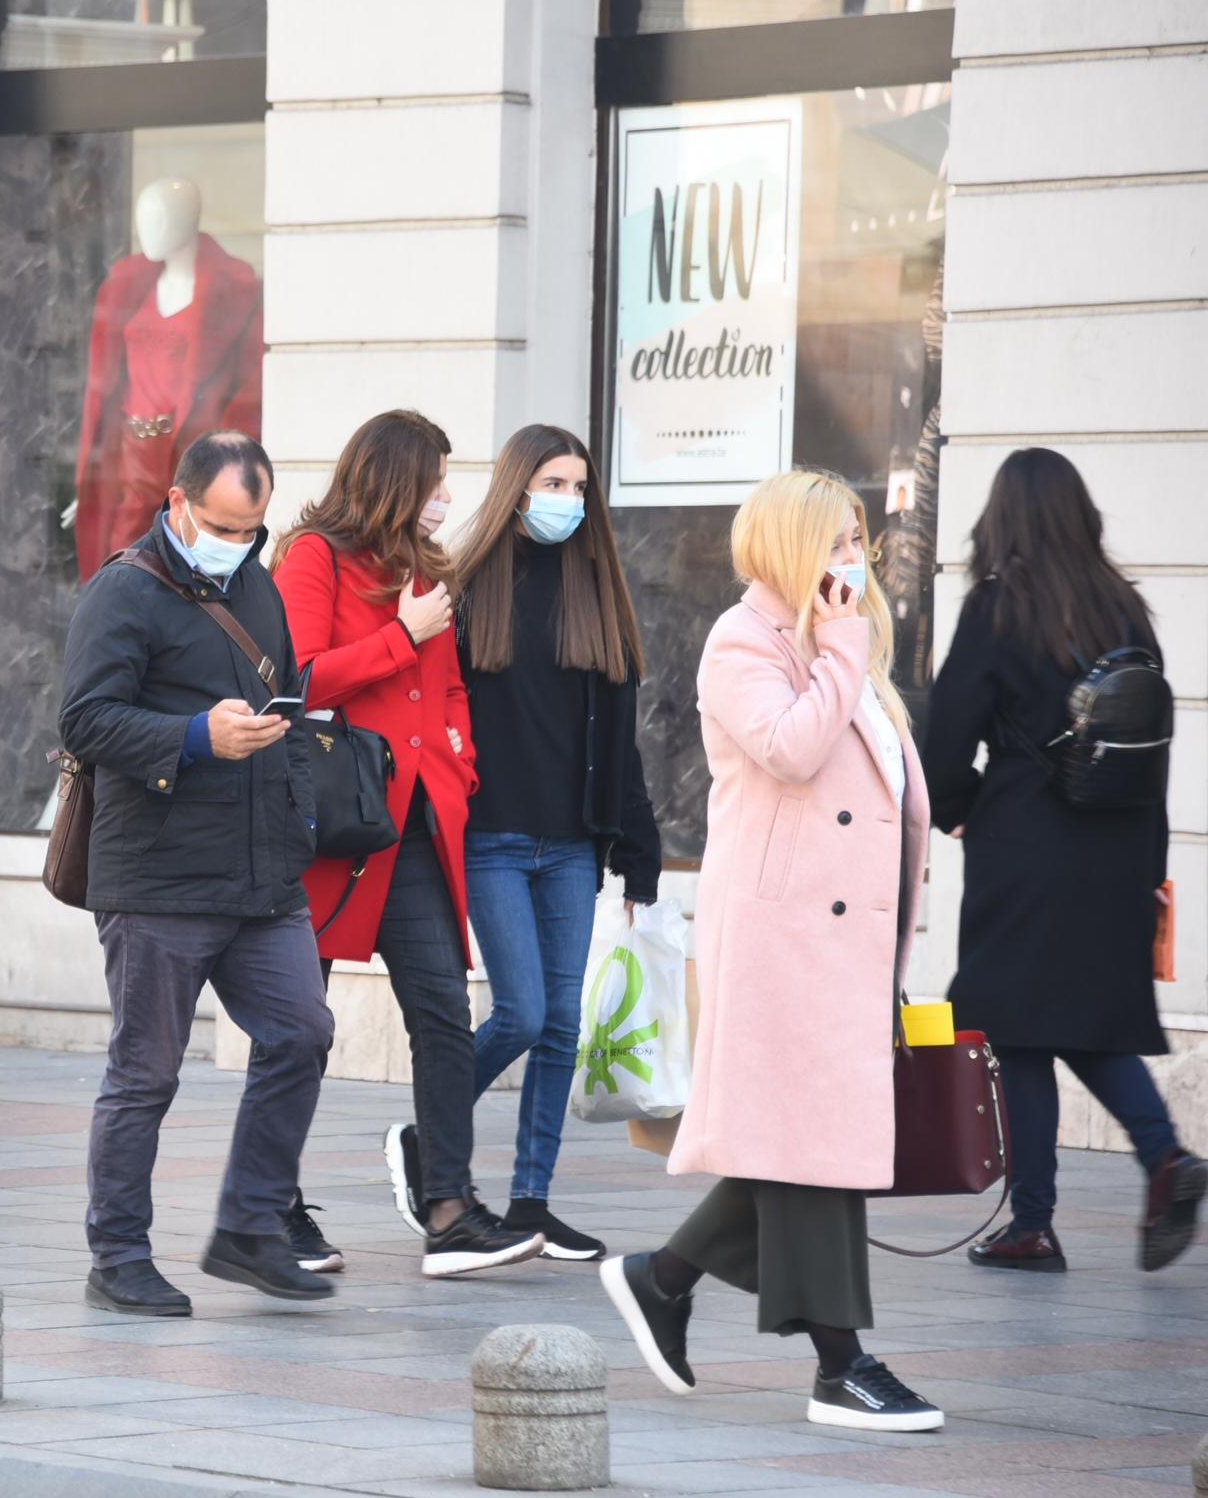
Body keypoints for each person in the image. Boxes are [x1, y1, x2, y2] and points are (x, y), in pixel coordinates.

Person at [602, 470, 944, 1434]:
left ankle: (662, 1280)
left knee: (801, 1143)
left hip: (853, 941)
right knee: (812, 1150)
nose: (854, 559)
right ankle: (842, 1363)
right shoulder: (742, 641)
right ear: (791, 544)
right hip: (786, 936)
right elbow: (791, 751)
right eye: (836, 541)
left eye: (860, 542)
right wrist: (839, 653)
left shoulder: (848, 642)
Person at [59, 429, 334, 1317]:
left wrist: (298, 818)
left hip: (261, 875)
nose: (239, 541)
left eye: (253, 527)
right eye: (222, 524)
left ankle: (251, 1229)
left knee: (302, 1032)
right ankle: (118, 1256)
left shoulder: (257, 582)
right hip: (157, 878)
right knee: (146, 1073)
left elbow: (287, 694)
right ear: (178, 505)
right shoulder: (123, 592)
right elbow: (86, 722)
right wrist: (191, 738)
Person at [270, 410, 544, 1279]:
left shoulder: (426, 570)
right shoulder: (313, 557)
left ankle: (450, 1211)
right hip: (330, 826)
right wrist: (401, 637)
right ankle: (269, 1206)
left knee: (442, 1017)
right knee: (298, 1025)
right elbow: (297, 677)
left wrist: (459, 762)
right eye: (434, 483)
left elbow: (451, 688)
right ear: (394, 482)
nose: (447, 499)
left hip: (418, 826)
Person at [925, 447, 1204, 1274]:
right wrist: (1150, 871)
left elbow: (942, 745)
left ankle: (1036, 1221)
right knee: (1084, 1021)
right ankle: (1162, 1159)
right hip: (1120, 849)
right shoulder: (1127, 612)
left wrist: (964, 813)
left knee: (1017, 1028)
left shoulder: (998, 609)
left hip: (1026, 848)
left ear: (1002, 519)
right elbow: (1151, 749)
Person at [441, 424, 659, 1261]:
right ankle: (431, 1134)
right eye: (552, 484)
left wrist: (639, 852)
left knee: (562, 1026)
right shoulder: (463, 590)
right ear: (515, 488)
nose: (567, 501)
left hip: (572, 845)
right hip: (492, 837)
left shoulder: (598, 590)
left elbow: (622, 742)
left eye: (579, 487)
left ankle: (530, 1200)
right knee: (523, 1012)